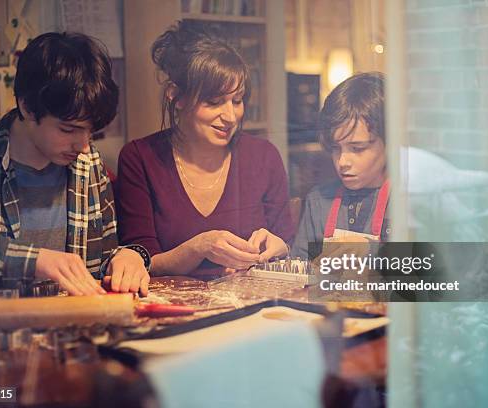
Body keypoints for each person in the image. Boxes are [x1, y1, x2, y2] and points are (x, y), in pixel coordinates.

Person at [0, 32, 151, 296]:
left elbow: (101, 262)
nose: (82, 145)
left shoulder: (88, 163)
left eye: (91, 131)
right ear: (27, 107)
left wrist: (129, 258)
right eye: (68, 130)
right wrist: (33, 260)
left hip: (72, 331)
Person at [116, 21, 294, 275]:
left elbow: (288, 242)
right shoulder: (140, 158)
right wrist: (199, 247)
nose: (231, 116)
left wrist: (280, 247)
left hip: (251, 306)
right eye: (214, 102)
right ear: (176, 96)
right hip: (174, 308)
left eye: (237, 100)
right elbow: (141, 261)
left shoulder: (263, 157)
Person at [292, 72, 390, 260]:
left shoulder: (412, 202)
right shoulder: (319, 201)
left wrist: (373, 252)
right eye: (335, 148)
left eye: (357, 148)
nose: (343, 161)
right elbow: (300, 269)